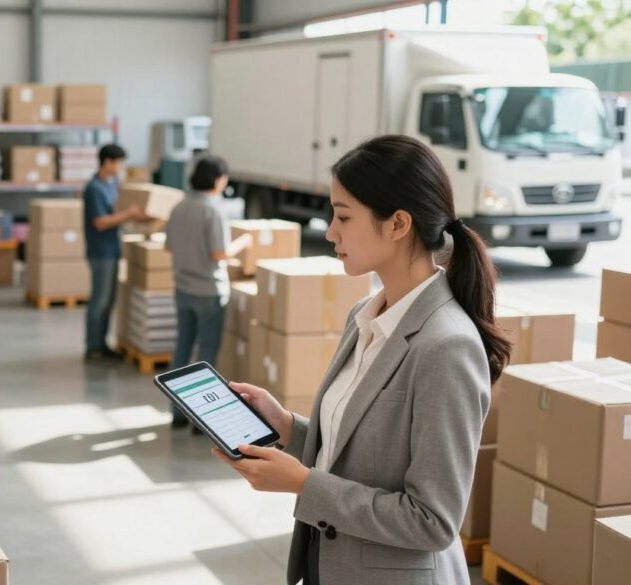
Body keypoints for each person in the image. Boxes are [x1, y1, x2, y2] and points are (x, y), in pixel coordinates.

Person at [213, 135, 510, 585]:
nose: (330, 231)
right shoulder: (364, 316)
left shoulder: (446, 346)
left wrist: (302, 484)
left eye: (344, 216)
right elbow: (355, 450)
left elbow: (432, 520)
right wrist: (287, 427)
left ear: (397, 224)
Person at [165, 155, 252, 429]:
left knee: (182, 350)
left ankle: (177, 413)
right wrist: (243, 243)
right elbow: (218, 254)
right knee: (206, 355)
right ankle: (200, 419)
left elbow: (169, 246)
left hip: (182, 287)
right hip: (208, 292)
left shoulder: (179, 207)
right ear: (217, 180)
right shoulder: (212, 211)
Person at [83, 144, 148, 361]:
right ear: (108, 162)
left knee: (109, 299)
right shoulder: (94, 188)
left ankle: (102, 343)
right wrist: (128, 214)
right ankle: (93, 346)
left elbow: (116, 213)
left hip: (112, 249)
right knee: (99, 300)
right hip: (100, 251)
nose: (120, 167)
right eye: (119, 162)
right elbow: (101, 222)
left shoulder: (111, 185)